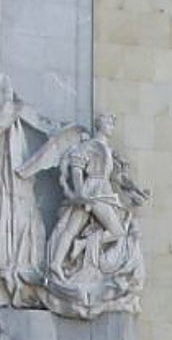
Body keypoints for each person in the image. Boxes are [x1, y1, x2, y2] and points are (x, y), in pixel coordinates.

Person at [46, 113, 149, 280]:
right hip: (95, 191)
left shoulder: (107, 150)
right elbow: (76, 166)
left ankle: (57, 262)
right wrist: (79, 192)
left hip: (101, 190)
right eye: (109, 123)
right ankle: (78, 247)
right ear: (100, 125)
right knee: (118, 232)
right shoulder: (91, 145)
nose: (111, 127)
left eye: (112, 124)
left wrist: (136, 192)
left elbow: (118, 177)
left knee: (71, 230)